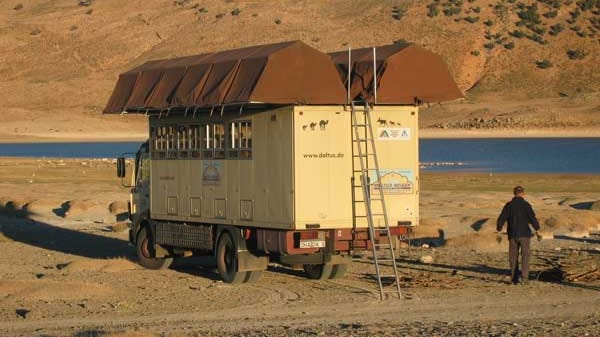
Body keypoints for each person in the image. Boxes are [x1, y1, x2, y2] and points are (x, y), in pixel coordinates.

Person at [496, 186, 541, 285]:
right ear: (523, 193)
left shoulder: (509, 205)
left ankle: (514, 279)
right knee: (525, 256)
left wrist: (499, 230)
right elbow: (532, 218)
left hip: (512, 234)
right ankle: (524, 279)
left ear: (514, 193)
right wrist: (537, 230)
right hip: (525, 235)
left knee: (513, 257)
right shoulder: (526, 205)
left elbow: (501, 219)